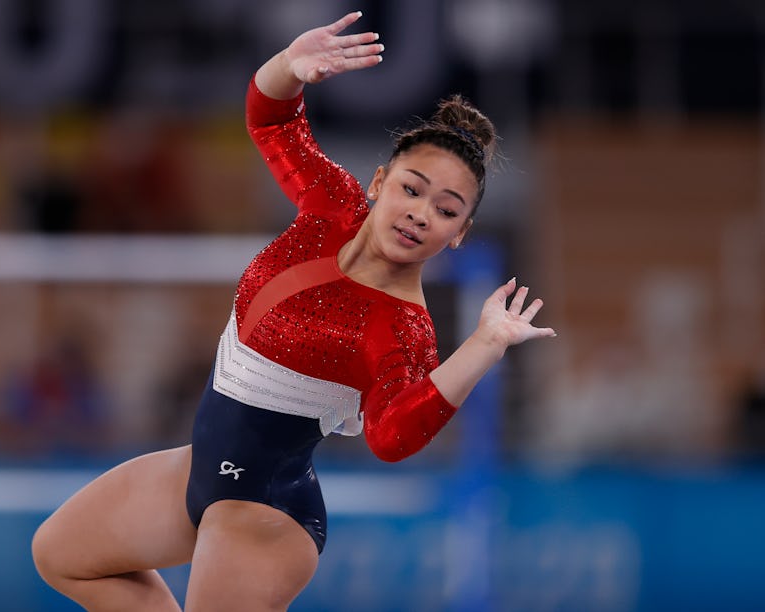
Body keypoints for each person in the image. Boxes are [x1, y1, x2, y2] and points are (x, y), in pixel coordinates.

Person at [31, 11, 556, 611]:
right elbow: (272, 120)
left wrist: (485, 344)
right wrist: (289, 67)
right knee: (62, 555)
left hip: (267, 512)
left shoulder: (402, 327)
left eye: (445, 209)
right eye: (412, 189)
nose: (419, 213)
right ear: (379, 182)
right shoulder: (331, 203)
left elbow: (390, 438)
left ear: (460, 233)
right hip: (198, 475)